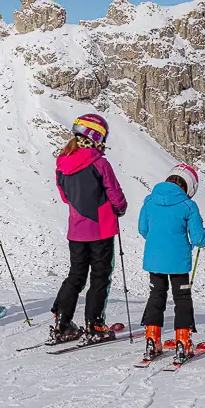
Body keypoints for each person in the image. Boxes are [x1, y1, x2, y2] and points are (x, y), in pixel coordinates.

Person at [50, 113, 128, 343]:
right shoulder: (99, 163)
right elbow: (115, 194)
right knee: (100, 277)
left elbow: (65, 197)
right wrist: (119, 208)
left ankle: (62, 324)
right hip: (101, 229)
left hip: (76, 230)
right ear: (95, 136)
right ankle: (95, 325)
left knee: (76, 276)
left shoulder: (62, 164)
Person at [138, 163, 205, 364]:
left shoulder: (150, 200)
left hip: (154, 260)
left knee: (156, 296)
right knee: (182, 299)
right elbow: (197, 239)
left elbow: (143, 229)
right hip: (179, 261)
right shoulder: (188, 205)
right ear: (189, 186)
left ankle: (152, 341)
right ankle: (183, 342)